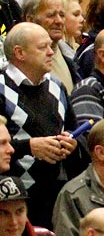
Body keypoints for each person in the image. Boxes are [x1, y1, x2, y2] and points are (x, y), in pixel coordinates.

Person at [2, 21, 80, 224]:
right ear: (19, 53)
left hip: (55, 193)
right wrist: (29, 147)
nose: (50, 53)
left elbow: (73, 128)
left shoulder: (57, 85)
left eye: (51, 47)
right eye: (42, 47)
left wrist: (72, 142)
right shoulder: (1, 87)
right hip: (11, 197)